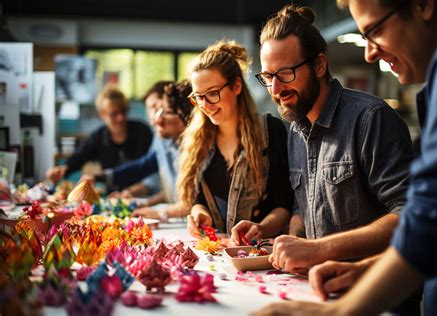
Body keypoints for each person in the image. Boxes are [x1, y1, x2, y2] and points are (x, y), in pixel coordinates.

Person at [254, 0, 437, 315]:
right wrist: (358, 266)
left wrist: (341, 306)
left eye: (374, 30)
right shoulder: (295, 129)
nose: (369, 53)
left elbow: (424, 217)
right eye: (268, 76)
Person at [241, 4, 413, 275]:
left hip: (374, 295)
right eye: (268, 76)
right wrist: (295, 239)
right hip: (317, 285)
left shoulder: (370, 119)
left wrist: (320, 249)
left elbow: (409, 214)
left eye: (286, 73)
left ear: (319, 64)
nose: (276, 88)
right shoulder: (296, 129)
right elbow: (303, 205)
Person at [179, 40, 292, 240]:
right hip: (218, 255)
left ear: (236, 86)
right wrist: (199, 214)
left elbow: (284, 204)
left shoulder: (270, 132)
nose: (205, 105)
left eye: (213, 93)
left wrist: (262, 228)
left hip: (259, 254)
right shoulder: (199, 140)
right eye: (198, 97)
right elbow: (199, 200)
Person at [96, 81, 193, 221]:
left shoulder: (194, 147)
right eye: (152, 110)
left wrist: (160, 212)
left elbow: (192, 201)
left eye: (160, 109)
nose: (156, 119)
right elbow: (172, 191)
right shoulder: (166, 140)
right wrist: (143, 204)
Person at [47, 85, 152, 187]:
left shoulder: (143, 131)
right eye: (114, 114)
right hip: (112, 196)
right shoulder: (97, 138)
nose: (120, 118)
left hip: (144, 192)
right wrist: (63, 169)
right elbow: (78, 157)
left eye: (123, 111)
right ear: (102, 115)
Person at [109, 81, 172, 205]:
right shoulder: (159, 137)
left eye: (157, 107)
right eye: (150, 109)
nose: (154, 116)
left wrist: (145, 203)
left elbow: (177, 192)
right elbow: (150, 176)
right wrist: (129, 193)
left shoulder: (181, 140)